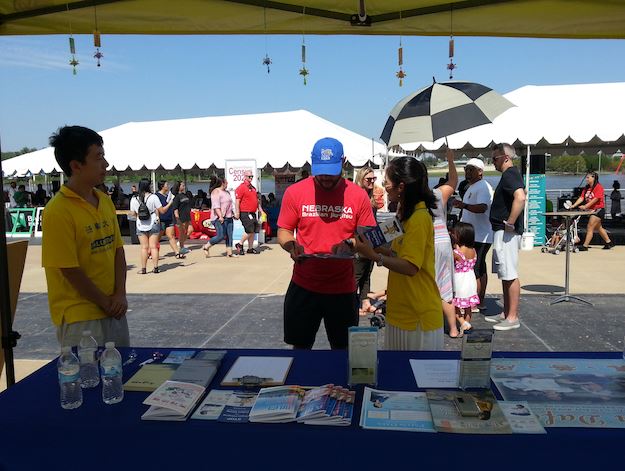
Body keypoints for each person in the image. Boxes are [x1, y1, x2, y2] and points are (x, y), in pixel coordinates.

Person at [277, 137, 376, 349]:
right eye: (321, 172)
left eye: (331, 172)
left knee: (343, 351)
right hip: (304, 285)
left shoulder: (358, 195)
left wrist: (351, 243)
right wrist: (291, 245)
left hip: (343, 288)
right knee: (300, 350)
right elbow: (284, 231)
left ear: (344, 162)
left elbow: (368, 237)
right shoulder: (295, 192)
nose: (325, 178)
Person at [42, 125, 129, 347]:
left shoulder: (104, 201)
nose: (105, 164)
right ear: (76, 165)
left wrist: (120, 294)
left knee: (121, 366)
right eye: (98, 157)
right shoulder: (58, 210)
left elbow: (118, 251)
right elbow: (69, 269)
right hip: (80, 318)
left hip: (114, 310)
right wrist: (105, 302)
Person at [355, 157, 442, 351]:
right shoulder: (405, 215)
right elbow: (397, 254)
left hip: (417, 316)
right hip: (400, 312)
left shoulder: (419, 218)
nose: (384, 187)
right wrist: (375, 248)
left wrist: (375, 256)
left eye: (386, 182)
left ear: (401, 186)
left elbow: (411, 267)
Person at [488, 143, 526, 331]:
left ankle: (512, 317)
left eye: (494, 159)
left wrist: (510, 222)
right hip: (502, 231)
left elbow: (520, 197)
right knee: (505, 272)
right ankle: (506, 312)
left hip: (506, 232)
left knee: (509, 272)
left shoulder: (511, 174)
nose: (492, 162)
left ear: (505, 158)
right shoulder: (509, 175)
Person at [453, 158, 494, 313]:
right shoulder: (472, 186)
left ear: (480, 172)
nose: (468, 172)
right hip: (473, 235)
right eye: (466, 169)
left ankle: (476, 302)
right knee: (477, 268)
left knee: (476, 269)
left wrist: (463, 205)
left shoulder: (483, 187)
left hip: (481, 235)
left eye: (471, 169)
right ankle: (476, 300)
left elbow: (482, 208)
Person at [431, 150, 459, 338]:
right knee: (445, 286)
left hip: (427, 243)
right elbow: (453, 181)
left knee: (428, 285)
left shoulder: (408, 199)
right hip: (443, 242)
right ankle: (453, 328)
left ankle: (432, 324)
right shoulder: (436, 194)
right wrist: (450, 160)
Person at [353, 166, 379, 314]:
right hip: (360, 240)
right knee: (357, 274)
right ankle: (352, 304)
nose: (372, 181)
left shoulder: (371, 197)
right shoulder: (357, 197)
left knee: (367, 273)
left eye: (373, 178)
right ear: (361, 179)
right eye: (368, 179)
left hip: (371, 239)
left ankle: (365, 301)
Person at [569, 171, 613, 250]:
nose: (586, 179)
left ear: (593, 178)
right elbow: (582, 198)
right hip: (591, 210)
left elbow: (595, 199)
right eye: (586, 177)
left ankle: (585, 246)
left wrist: (585, 206)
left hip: (598, 210)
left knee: (590, 227)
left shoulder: (599, 187)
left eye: (588, 177)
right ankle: (608, 242)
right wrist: (573, 205)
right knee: (599, 228)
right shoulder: (586, 188)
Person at [451, 222, 480, 335]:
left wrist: (454, 248)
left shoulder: (456, 253)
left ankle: (463, 323)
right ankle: (467, 324)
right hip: (470, 279)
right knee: (468, 306)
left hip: (460, 280)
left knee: (454, 305)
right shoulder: (473, 251)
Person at [130, 178, 163, 273]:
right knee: (153, 247)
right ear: (148, 186)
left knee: (144, 247)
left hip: (140, 224)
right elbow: (161, 210)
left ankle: (143, 269)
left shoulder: (134, 198)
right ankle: (156, 268)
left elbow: (133, 213)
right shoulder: (153, 197)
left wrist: (138, 215)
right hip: (153, 222)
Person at [203, 176, 236, 258]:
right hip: (219, 217)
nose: (227, 184)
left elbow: (230, 204)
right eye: (226, 182)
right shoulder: (216, 192)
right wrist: (220, 216)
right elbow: (216, 205)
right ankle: (206, 246)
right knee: (220, 236)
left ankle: (229, 253)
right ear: (222, 183)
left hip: (229, 217)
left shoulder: (227, 192)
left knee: (229, 235)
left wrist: (233, 213)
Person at [234, 170, 260, 255]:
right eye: (249, 176)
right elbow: (237, 201)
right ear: (245, 177)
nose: (251, 178)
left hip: (252, 212)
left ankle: (250, 248)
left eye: (252, 176)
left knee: (253, 230)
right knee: (249, 230)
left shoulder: (253, 188)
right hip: (245, 212)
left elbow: (257, 201)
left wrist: (261, 210)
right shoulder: (241, 187)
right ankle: (240, 244)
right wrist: (237, 212)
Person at [155, 180, 182, 259]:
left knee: (171, 236)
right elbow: (156, 208)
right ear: (162, 186)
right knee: (157, 238)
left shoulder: (168, 195)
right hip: (161, 219)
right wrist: (157, 217)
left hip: (169, 218)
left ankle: (177, 252)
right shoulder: (157, 196)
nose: (168, 186)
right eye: (166, 185)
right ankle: (152, 253)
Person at [171, 181, 192, 255]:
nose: (184, 186)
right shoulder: (176, 197)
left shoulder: (184, 195)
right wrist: (177, 218)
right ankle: (181, 247)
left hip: (187, 216)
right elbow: (175, 208)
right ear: (178, 187)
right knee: (182, 232)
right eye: (182, 185)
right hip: (181, 217)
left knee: (190, 230)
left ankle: (180, 243)